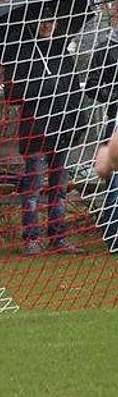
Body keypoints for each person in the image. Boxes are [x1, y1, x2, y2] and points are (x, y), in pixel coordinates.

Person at [2, 17, 88, 255]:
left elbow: (73, 93)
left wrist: (77, 124)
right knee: (33, 189)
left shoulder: (63, 55)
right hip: (35, 133)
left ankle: (58, 238)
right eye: (42, 21)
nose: (47, 25)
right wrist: (44, 86)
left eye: (51, 21)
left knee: (59, 189)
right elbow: (10, 94)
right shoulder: (20, 56)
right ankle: (31, 239)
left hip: (62, 132)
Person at [84, 29, 118, 250]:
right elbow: (92, 85)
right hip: (116, 120)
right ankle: (113, 235)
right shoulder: (107, 48)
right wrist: (114, 95)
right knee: (115, 182)